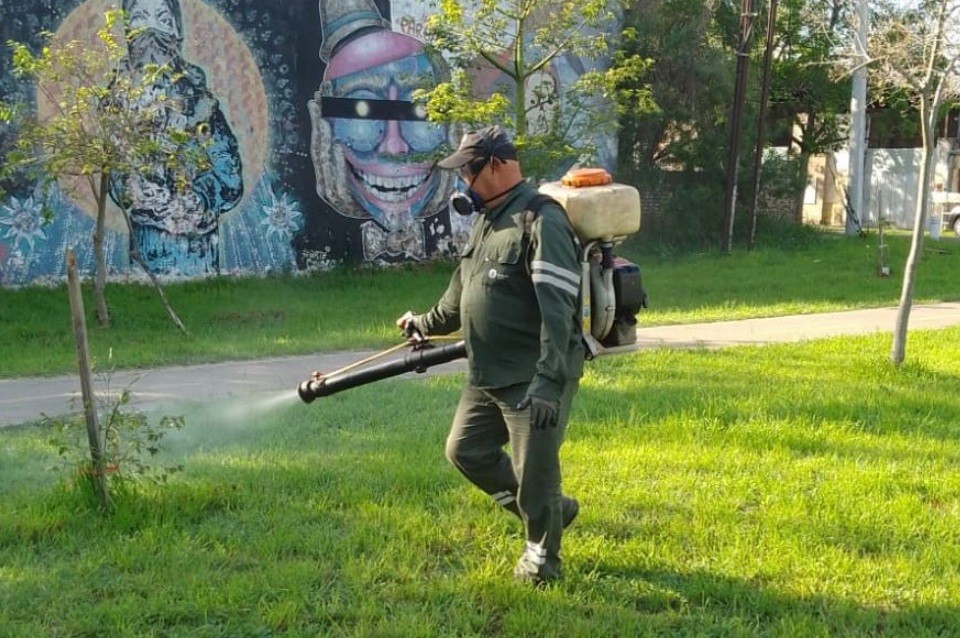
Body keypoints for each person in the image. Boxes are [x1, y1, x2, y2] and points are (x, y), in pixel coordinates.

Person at [396, 126, 584, 585]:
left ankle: (542, 560)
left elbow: (561, 316)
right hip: (486, 376)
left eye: (469, 171)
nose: (463, 182)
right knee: (465, 450)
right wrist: (422, 323)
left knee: (535, 474)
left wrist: (548, 382)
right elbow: (457, 301)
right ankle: (550, 513)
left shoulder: (542, 221)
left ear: (498, 165)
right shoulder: (486, 220)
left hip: (532, 378)